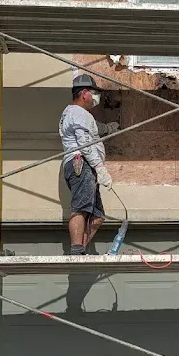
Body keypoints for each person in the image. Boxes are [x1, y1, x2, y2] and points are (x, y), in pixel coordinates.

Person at [59, 73, 119, 255]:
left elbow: (93, 129)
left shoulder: (80, 115)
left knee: (98, 216)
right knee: (81, 207)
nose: (96, 97)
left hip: (86, 166)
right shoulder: (77, 112)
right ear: (84, 92)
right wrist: (100, 168)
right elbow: (85, 143)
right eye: (94, 93)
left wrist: (110, 128)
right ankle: (77, 250)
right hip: (81, 164)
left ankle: (81, 248)